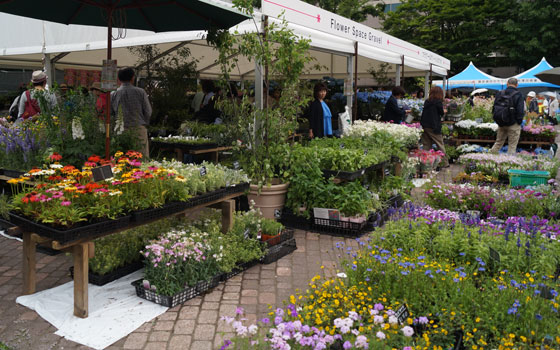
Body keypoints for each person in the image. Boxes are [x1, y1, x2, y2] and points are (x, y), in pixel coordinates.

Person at [111, 67, 152, 157]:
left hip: (121, 130)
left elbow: (111, 113)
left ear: (118, 79)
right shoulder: (141, 92)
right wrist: (143, 122)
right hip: (138, 129)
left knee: (122, 159)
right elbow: (148, 111)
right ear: (133, 78)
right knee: (141, 158)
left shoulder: (113, 94)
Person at [489, 78, 524, 155]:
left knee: (498, 142)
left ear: (507, 83)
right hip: (513, 123)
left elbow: (494, 108)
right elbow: (520, 110)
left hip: (501, 122)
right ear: (517, 85)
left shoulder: (500, 93)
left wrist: (498, 120)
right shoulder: (518, 94)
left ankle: (489, 159)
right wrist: (519, 122)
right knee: (512, 145)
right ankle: (509, 164)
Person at [420, 86, 449, 168]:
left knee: (426, 144)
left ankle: (425, 163)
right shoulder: (438, 102)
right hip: (434, 126)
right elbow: (441, 113)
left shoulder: (427, 101)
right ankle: (445, 163)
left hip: (425, 125)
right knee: (440, 144)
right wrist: (445, 111)